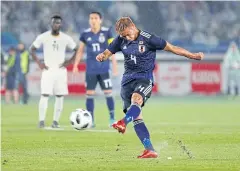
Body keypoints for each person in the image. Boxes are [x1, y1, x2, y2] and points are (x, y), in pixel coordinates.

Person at [96, 17, 204, 158]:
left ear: (133, 26)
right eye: (123, 36)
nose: (126, 38)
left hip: (144, 79)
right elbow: (107, 53)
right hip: (127, 81)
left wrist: (193, 56)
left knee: (137, 100)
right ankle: (150, 149)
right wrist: (102, 56)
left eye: (128, 34)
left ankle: (123, 122)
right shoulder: (120, 39)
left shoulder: (149, 39)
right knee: (137, 117)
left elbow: (172, 48)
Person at [30, 15, 77, 128]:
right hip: (48, 70)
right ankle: (41, 121)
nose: (56, 24)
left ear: (61, 24)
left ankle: (55, 121)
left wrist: (69, 61)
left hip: (61, 71)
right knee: (45, 94)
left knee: (60, 96)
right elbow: (32, 49)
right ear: (51, 24)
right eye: (54, 23)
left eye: (58, 23)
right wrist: (39, 63)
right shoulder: (44, 36)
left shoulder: (65, 38)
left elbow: (77, 49)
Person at [73, 12, 118, 127]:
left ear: (100, 20)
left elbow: (112, 49)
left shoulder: (107, 32)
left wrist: (114, 67)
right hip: (91, 70)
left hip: (104, 69)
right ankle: (91, 120)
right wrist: (75, 65)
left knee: (108, 93)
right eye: (91, 18)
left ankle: (112, 118)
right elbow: (80, 50)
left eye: (95, 18)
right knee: (89, 94)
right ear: (89, 20)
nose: (93, 20)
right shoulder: (85, 34)